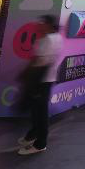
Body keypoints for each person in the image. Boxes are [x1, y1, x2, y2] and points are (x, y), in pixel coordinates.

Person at [18, 15, 62, 155]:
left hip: (40, 79)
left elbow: (40, 62)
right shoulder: (55, 37)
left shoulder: (48, 39)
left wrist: (27, 74)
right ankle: (33, 135)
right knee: (37, 109)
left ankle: (40, 144)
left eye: (41, 23)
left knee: (40, 112)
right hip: (45, 79)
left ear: (48, 25)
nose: (38, 25)